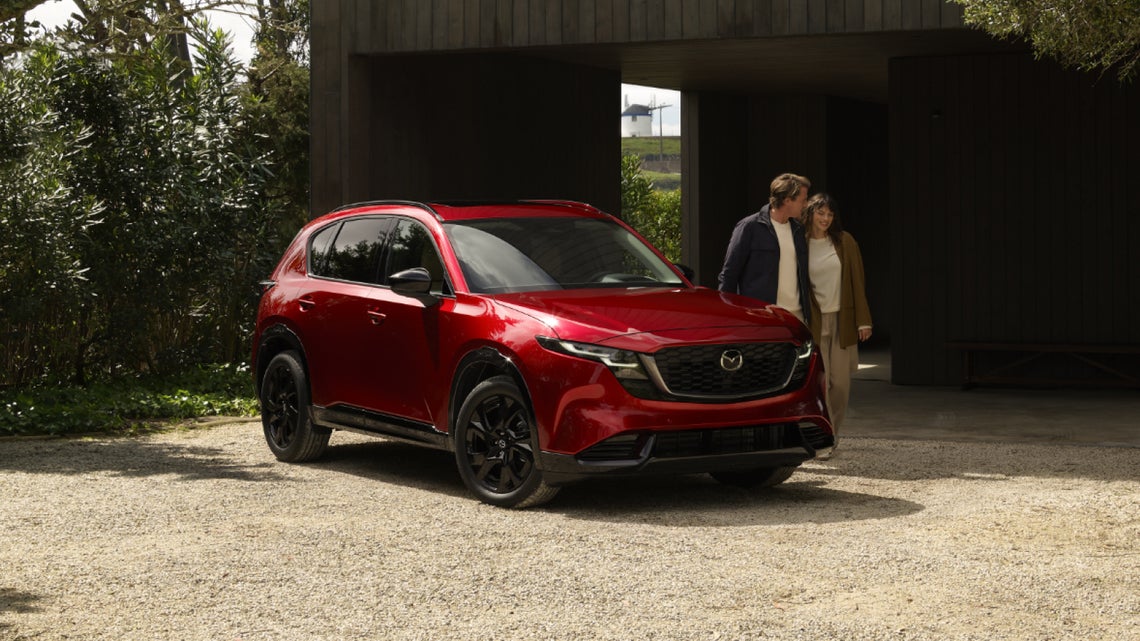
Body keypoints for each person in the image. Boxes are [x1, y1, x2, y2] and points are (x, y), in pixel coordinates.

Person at [803, 193, 872, 460]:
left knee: (840, 384)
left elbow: (858, 281)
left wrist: (863, 320)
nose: (825, 219)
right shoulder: (801, 244)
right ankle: (825, 438)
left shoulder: (845, 241)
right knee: (821, 383)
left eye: (830, 214)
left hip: (843, 319)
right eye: (821, 213)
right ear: (810, 213)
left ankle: (834, 431)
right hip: (815, 322)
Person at [718, 173, 813, 326]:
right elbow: (729, 274)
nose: (806, 204)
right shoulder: (749, 227)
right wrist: (729, 316)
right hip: (762, 318)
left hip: (797, 318)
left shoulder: (798, 230)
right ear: (787, 200)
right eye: (803, 200)